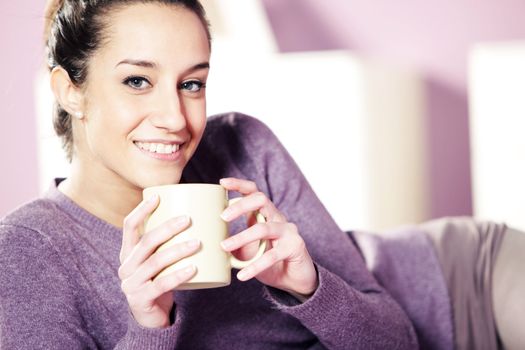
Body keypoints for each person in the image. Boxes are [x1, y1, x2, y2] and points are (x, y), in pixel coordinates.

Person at [1, 1, 524, 349]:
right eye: (137, 80)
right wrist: (149, 328)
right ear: (70, 89)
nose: (176, 119)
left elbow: (397, 340)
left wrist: (308, 285)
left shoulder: (240, 147)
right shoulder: (30, 253)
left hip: (458, 285)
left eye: (192, 84)